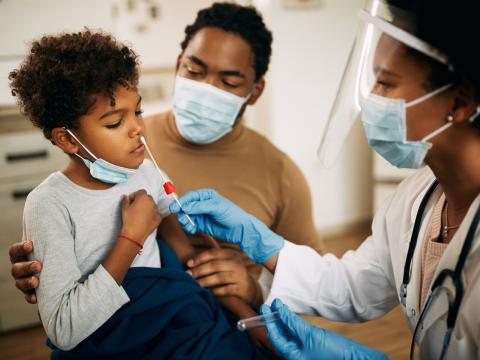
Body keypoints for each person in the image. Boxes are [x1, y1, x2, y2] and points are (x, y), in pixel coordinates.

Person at [169, 0, 480, 358]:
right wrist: (263, 243)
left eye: (385, 84)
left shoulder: (278, 169)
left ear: (459, 102)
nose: (371, 100)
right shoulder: (418, 198)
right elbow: (355, 286)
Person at [9, 2, 322, 309]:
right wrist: (49, 271)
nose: (206, 88)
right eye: (194, 70)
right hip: (134, 320)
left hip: (227, 322)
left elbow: (318, 288)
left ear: (255, 91)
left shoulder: (282, 174)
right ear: (178, 63)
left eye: (228, 81)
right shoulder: (116, 150)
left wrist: (255, 291)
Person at [9, 29, 272, 358]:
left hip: (179, 322)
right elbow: (64, 329)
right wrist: (131, 238)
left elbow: (190, 261)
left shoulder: (146, 175)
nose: (138, 128)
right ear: (68, 140)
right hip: (110, 343)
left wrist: (249, 317)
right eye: (115, 122)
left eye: (138, 112)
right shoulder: (49, 204)